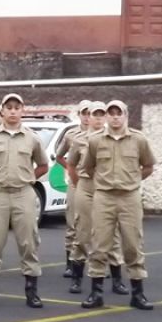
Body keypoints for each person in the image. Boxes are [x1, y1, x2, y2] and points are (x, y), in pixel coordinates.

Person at [0, 93, 49, 308]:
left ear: (22, 110)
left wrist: (27, 179)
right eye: (9, 107)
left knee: (29, 242)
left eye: (17, 107)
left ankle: (31, 291)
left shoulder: (32, 138)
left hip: (23, 194)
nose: (13, 111)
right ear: (2, 111)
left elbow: (43, 165)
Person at [81, 100, 155, 310]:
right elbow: (88, 167)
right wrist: (103, 182)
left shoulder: (138, 139)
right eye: (111, 113)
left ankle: (138, 293)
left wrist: (132, 181)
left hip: (129, 197)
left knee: (133, 244)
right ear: (106, 116)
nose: (115, 117)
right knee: (99, 244)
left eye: (118, 113)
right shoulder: (95, 140)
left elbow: (148, 165)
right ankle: (96, 293)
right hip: (104, 197)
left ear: (125, 116)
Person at [61, 102, 128, 295]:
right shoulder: (79, 139)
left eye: (101, 114)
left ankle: (117, 280)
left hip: (107, 189)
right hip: (87, 186)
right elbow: (71, 164)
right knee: (82, 232)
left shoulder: (113, 138)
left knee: (112, 235)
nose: (98, 118)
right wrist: (79, 184)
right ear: (87, 117)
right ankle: (76, 278)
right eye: (94, 114)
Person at [55, 100, 91, 278]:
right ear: (79, 115)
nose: (87, 117)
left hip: (96, 185)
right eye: (84, 113)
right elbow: (59, 156)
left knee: (99, 226)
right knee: (72, 223)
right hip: (76, 183)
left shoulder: (103, 134)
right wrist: (72, 171)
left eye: (90, 113)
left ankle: (98, 264)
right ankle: (70, 263)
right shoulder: (72, 135)